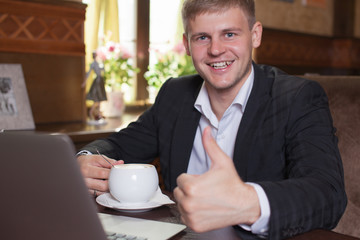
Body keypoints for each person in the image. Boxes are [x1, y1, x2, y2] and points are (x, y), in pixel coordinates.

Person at [77, 0, 347, 239]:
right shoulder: (174, 94)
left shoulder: (298, 98)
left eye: (229, 34)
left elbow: (328, 194)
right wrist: (85, 159)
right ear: (186, 44)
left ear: (255, 35)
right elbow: (119, 145)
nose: (216, 50)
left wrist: (246, 202)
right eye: (202, 37)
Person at [83, 51, 107, 122]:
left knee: (99, 100)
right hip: (97, 82)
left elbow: (103, 71)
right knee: (96, 99)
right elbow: (89, 73)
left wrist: (103, 66)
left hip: (100, 81)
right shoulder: (93, 64)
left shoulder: (98, 63)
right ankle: (91, 112)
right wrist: (84, 82)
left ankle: (98, 114)